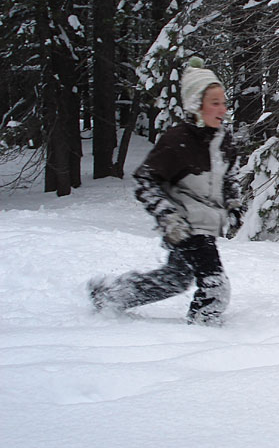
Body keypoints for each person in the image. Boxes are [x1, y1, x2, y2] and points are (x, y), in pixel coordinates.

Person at [87, 57, 243, 325]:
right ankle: (204, 333)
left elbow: (229, 177)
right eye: (214, 103)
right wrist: (169, 216)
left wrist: (234, 205)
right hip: (185, 224)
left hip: (204, 224)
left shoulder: (223, 140)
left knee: (175, 279)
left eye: (224, 102)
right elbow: (146, 181)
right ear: (196, 105)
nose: (223, 109)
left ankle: (112, 294)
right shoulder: (178, 140)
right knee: (215, 288)